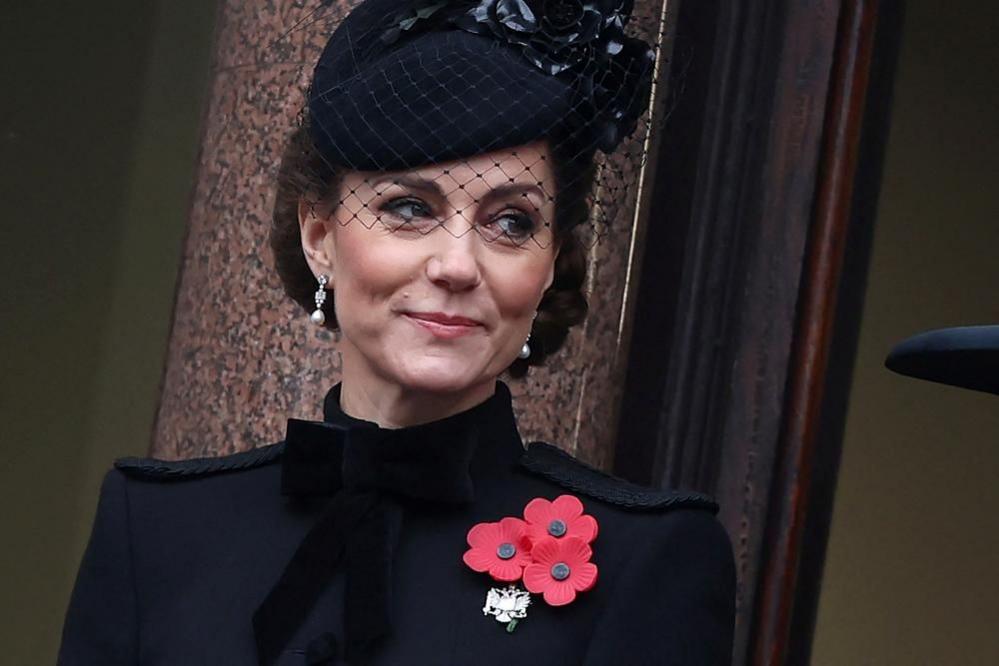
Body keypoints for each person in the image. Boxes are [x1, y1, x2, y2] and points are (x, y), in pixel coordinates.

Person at [58, 0, 736, 663]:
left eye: (511, 223)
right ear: (319, 236)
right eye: (409, 208)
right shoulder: (155, 530)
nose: (456, 266)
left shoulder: (643, 559)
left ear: (550, 264)